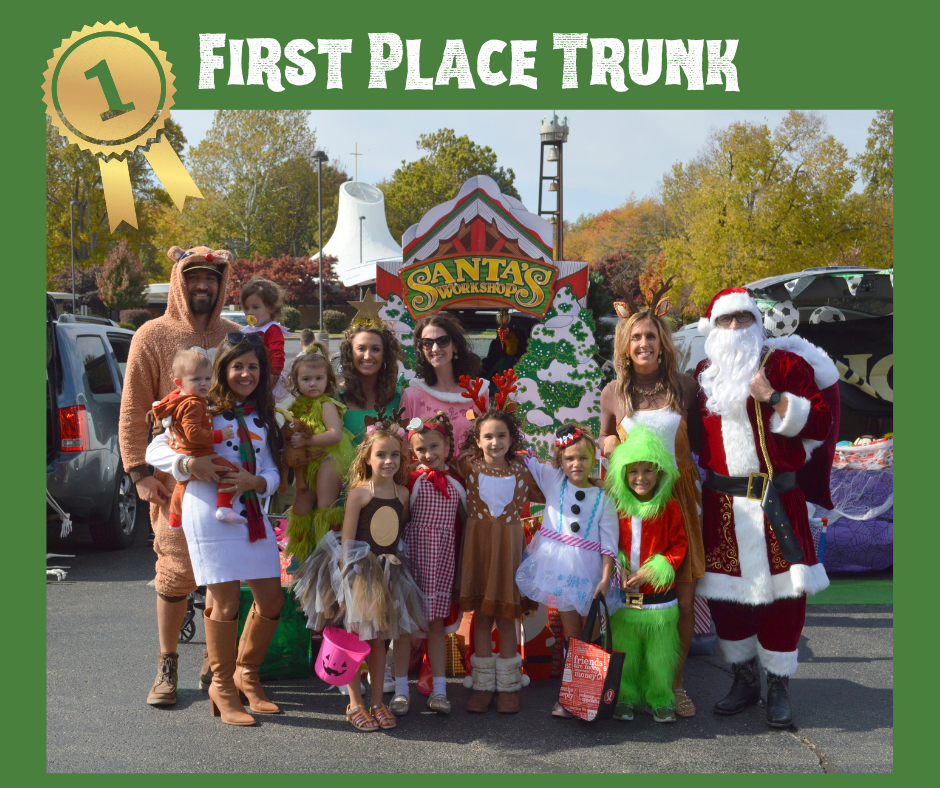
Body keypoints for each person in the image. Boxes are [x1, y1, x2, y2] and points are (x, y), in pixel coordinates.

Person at [694, 287, 836, 728]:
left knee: (784, 596)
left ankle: (778, 683)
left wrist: (775, 398)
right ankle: (743, 678)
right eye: (725, 321)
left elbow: (823, 421)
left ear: (756, 321)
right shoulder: (703, 373)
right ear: (713, 328)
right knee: (727, 595)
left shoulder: (788, 366)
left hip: (778, 499)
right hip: (721, 502)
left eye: (742, 318)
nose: (734, 328)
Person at [118, 244, 241, 706]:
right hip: (172, 480)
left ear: (222, 284)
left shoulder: (234, 334)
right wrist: (138, 472)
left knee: (222, 574)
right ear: (178, 283)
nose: (203, 286)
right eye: (193, 279)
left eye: (211, 278)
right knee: (174, 571)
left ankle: (216, 664)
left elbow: (250, 398)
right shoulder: (151, 336)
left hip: (226, 479)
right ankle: (167, 666)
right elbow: (133, 409)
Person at [146, 333, 285, 726]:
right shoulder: (199, 407)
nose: (245, 373)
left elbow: (273, 471)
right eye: (237, 366)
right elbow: (155, 449)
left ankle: (248, 673)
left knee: (271, 599)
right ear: (223, 368)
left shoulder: (266, 415)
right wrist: (189, 467)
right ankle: (222, 686)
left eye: (253, 367)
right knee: (224, 602)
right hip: (208, 513)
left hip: (252, 512)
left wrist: (256, 483)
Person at [599, 290, 704, 718]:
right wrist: (607, 442)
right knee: (628, 596)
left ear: (663, 342)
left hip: (678, 499)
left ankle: (674, 683)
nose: (644, 344)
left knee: (681, 596)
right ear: (625, 344)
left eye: (651, 336)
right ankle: (629, 684)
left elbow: (703, 441)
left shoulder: (685, 387)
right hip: (632, 506)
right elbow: (604, 439)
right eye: (636, 337)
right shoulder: (612, 392)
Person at [292, 419, 426, 731]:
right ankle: (354, 701)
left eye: (395, 455)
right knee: (354, 639)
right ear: (367, 457)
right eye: (381, 455)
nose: (388, 461)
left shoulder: (404, 493)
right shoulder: (359, 494)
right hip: (357, 573)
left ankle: (377, 701)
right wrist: (343, 584)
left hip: (388, 571)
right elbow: (348, 542)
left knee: (380, 641)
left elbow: (396, 529)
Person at [515, 423, 621, 718]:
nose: (576, 464)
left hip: (589, 572)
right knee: (572, 634)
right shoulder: (553, 480)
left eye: (583, 458)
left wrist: (604, 578)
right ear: (560, 460)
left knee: (592, 634)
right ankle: (571, 696)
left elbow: (608, 543)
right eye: (569, 458)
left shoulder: (603, 498)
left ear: (594, 459)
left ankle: (590, 693)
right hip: (558, 568)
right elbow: (526, 458)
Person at [454, 372, 543, 715]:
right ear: (477, 440)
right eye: (488, 436)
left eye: (501, 435)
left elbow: (548, 492)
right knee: (480, 617)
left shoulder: (521, 472)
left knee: (506, 619)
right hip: (479, 551)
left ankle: (507, 685)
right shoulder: (469, 468)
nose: (494, 442)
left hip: (507, 553)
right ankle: (482, 683)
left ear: (511, 438)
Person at [605, 425, 688, 723]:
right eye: (633, 471)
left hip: (659, 602)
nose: (640, 478)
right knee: (624, 654)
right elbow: (609, 542)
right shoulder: (616, 508)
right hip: (626, 600)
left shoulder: (670, 507)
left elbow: (679, 544)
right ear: (623, 475)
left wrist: (654, 570)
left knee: (659, 657)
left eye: (648, 471)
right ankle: (624, 697)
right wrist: (621, 566)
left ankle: (661, 698)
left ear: (660, 474)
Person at [395, 412, 467, 716]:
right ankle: (400, 691)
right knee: (404, 626)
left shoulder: (457, 483)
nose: (428, 454)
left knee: (436, 626)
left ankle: (439, 690)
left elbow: (467, 522)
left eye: (434, 447)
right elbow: (400, 519)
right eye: (421, 449)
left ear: (447, 445)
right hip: (413, 560)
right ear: (413, 452)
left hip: (442, 563)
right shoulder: (411, 480)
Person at [149, 348, 241, 526]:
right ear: (179, 383)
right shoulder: (192, 404)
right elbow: (194, 433)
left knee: (182, 483)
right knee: (230, 472)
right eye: (196, 379)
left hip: (184, 451)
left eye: (207, 378)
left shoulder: (179, 400)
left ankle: (175, 519)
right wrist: (220, 435)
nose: (204, 384)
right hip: (197, 452)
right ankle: (224, 508)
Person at [283, 342, 355, 564]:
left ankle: (327, 555)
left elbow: (334, 435)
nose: (313, 384)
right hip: (306, 463)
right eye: (306, 380)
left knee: (325, 505)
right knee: (300, 505)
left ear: (328, 381)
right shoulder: (297, 406)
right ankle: (301, 550)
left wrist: (308, 439)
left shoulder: (326, 404)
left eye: (318, 379)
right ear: (296, 382)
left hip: (329, 458)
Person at [401, 310, 488, 450]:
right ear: (421, 349)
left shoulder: (478, 392)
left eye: (442, 341)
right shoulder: (412, 395)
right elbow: (404, 447)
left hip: (470, 472)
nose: (435, 349)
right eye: (427, 343)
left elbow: (487, 441)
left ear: (455, 345)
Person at [338, 291, 404, 444]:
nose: (368, 356)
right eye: (361, 349)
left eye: (375, 349)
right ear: (350, 353)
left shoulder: (399, 395)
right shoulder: (335, 397)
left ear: (385, 354)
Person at [240, 277, 289, 399]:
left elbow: (277, 355)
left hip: (265, 379)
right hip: (248, 376)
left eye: (255, 307)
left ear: (271, 308)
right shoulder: (248, 330)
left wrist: (272, 378)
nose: (249, 312)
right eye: (246, 308)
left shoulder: (272, 329)